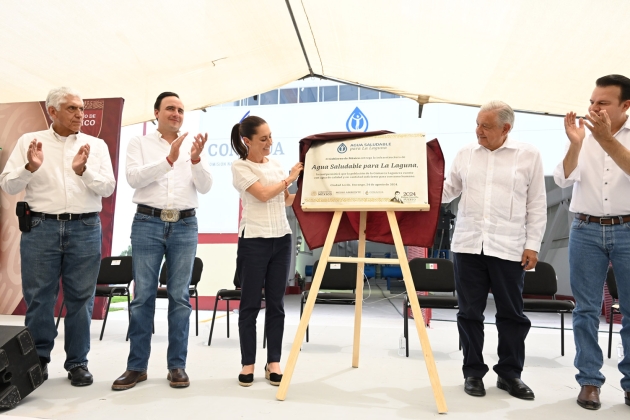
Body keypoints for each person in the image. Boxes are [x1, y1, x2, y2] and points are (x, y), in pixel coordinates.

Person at [0, 87, 116, 386]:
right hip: (41, 228)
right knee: (39, 298)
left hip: (85, 228)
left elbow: (107, 188)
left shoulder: (96, 145)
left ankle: (77, 362)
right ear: (52, 112)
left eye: (81, 108)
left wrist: (84, 171)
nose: (80, 114)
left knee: (81, 299)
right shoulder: (29, 142)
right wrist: (29, 168)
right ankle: (36, 361)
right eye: (71, 108)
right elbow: (9, 186)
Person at [442, 100, 547, 399]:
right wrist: (417, 187)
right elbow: (448, 190)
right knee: (469, 313)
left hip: (510, 246)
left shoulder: (528, 155)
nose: (479, 131)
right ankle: (473, 372)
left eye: (485, 126)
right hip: (468, 244)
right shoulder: (465, 154)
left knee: (512, 315)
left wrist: (533, 245)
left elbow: (537, 204)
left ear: (506, 128)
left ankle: (510, 375)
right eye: (477, 124)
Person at [112, 92, 212, 390]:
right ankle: (136, 367)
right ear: (156, 112)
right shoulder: (139, 143)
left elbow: (205, 187)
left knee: (180, 296)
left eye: (181, 110)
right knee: (143, 295)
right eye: (170, 108)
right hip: (147, 222)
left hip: (184, 224)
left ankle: (177, 366)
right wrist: (169, 159)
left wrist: (194, 160)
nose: (176, 114)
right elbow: (134, 178)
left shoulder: (193, 146)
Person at [553, 74, 630, 410]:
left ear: (625, 105)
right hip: (585, 229)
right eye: (592, 101)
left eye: (603, 103)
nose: (593, 108)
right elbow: (562, 177)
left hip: (628, 229)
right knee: (585, 310)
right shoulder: (583, 137)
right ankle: (589, 381)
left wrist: (606, 140)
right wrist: (576, 143)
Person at [229, 115, 303, 387]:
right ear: (247, 141)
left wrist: (310, 193)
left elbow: (284, 201)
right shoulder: (240, 166)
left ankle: (273, 362)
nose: (270, 142)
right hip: (254, 241)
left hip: (281, 239)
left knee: (277, 305)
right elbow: (262, 194)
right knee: (249, 305)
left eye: (271, 136)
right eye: (263, 138)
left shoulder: (276, 164)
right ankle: (247, 362)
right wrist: (289, 179)